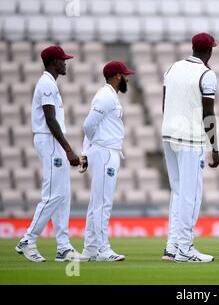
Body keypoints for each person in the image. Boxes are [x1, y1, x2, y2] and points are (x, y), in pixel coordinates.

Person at [16, 46, 88, 262]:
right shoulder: (47, 83)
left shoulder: (50, 83)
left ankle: (63, 247)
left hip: (52, 140)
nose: (65, 63)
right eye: (62, 60)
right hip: (48, 140)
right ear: (53, 62)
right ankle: (27, 240)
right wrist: (68, 149)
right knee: (53, 194)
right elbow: (50, 119)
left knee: (63, 194)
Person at [161, 33, 219, 263]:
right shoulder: (207, 74)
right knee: (191, 195)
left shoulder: (172, 68)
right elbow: (208, 113)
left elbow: (165, 103)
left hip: (168, 134)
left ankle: (173, 245)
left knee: (177, 192)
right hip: (190, 139)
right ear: (210, 51)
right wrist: (215, 147)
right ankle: (185, 248)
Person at [81, 61, 135, 262]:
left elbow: (91, 126)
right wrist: (93, 149)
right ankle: (103, 249)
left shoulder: (110, 96)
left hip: (106, 152)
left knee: (97, 202)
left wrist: (86, 152)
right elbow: (87, 126)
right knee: (103, 203)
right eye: (125, 75)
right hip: (105, 153)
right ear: (118, 76)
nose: (127, 78)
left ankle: (90, 248)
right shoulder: (106, 97)